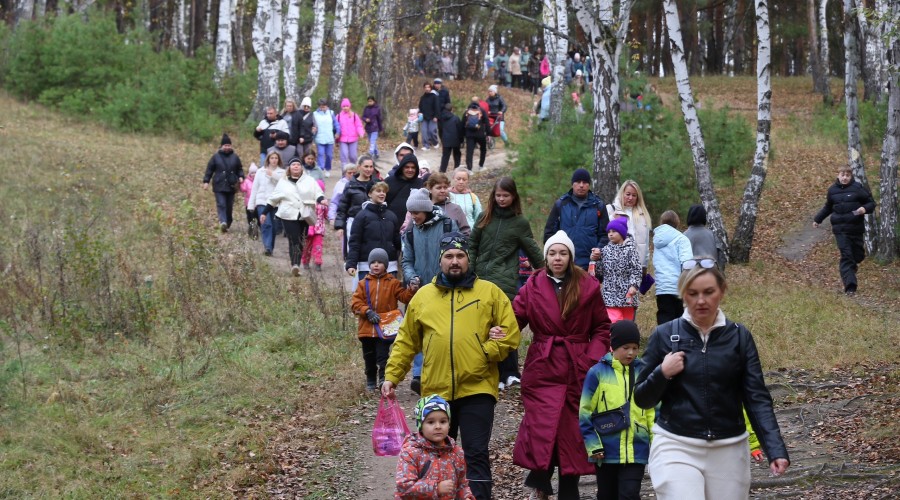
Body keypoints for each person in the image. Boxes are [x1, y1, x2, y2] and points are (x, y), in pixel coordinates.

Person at [634, 263, 790, 499]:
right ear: (682, 294)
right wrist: (662, 373)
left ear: (722, 291)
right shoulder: (664, 335)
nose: (701, 301)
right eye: (693, 293)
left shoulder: (739, 337)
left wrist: (775, 449)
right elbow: (641, 398)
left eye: (708, 292)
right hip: (676, 444)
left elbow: (757, 398)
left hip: (729, 447)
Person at [383, 232, 521, 500]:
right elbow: (406, 342)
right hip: (436, 390)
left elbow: (510, 332)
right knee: (436, 455)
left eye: (460, 256)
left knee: (475, 452)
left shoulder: (490, 292)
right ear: (441, 260)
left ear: (468, 260)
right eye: (449, 256)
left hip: (478, 387)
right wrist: (392, 376)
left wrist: (486, 351)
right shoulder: (423, 297)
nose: (455, 261)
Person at [512, 230, 611, 499]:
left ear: (570, 256)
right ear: (546, 256)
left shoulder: (587, 286)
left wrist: (590, 358)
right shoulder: (532, 285)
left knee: (572, 431)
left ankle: (569, 487)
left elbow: (602, 327)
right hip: (543, 365)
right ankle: (541, 479)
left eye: (563, 253)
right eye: (553, 253)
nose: (557, 258)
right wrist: (498, 331)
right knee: (542, 424)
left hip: (576, 367)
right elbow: (515, 318)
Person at [469, 176, 544, 389]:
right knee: (483, 326)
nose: (502, 199)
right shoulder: (485, 217)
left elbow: (532, 250)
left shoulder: (520, 222)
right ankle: (490, 372)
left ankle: (510, 373)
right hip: (479, 281)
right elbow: (472, 245)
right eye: (498, 195)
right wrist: (470, 270)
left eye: (506, 195)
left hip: (504, 282)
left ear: (513, 197)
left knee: (504, 326)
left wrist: (549, 271)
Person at [579, 320, 654, 500]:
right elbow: (585, 412)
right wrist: (593, 445)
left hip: (637, 449)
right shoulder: (597, 373)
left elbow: (654, 411)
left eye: (635, 348)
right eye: (625, 347)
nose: (631, 352)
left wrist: (656, 443)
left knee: (629, 494)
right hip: (606, 450)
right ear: (613, 347)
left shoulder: (645, 372)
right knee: (606, 495)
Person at [350, 248, 417, 391]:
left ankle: (382, 379)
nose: (376, 265)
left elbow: (404, 297)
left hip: (385, 328)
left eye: (380, 262)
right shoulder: (363, 283)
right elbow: (355, 303)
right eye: (373, 262)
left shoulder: (393, 283)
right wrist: (367, 311)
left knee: (382, 356)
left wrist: (411, 290)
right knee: (369, 357)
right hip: (366, 329)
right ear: (369, 265)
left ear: (386, 265)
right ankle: (370, 380)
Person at [396, 395, 475, 499]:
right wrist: (436, 488)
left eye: (443, 421)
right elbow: (403, 487)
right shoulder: (411, 452)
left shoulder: (456, 453)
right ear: (421, 425)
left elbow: (462, 484)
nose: (438, 426)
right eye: (431, 422)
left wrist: (466, 496)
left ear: (449, 424)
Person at [813, 165, 876, 295]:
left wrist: (864, 209)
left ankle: (851, 268)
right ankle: (850, 287)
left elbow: (871, 203)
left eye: (847, 175)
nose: (845, 177)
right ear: (838, 175)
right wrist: (817, 219)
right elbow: (828, 207)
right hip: (840, 230)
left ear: (851, 176)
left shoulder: (857, 188)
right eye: (842, 175)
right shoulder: (832, 190)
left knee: (857, 256)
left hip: (856, 229)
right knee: (847, 256)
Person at [260, 157, 327, 276]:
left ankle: (296, 264)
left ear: (301, 168)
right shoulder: (283, 181)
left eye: (298, 165)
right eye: (293, 165)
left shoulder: (310, 180)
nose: (296, 166)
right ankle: (295, 265)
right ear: (289, 168)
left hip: (304, 215)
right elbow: (273, 198)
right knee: (294, 239)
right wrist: (264, 212)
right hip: (288, 215)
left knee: (301, 240)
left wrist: (321, 199)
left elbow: (318, 192)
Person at [543, 168, 610, 270]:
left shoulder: (598, 205)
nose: (581, 185)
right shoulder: (561, 204)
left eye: (585, 182)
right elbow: (549, 234)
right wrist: (555, 255)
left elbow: (606, 235)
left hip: (590, 264)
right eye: (578, 182)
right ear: (572, 184)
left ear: (589, 185)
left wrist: (599, 250)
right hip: (565, 264)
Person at [346, 182, 402, 280]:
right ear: (370, 194)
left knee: (389, 295)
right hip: (367, 266)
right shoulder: (361, 216)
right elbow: (355, 241)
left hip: (390, 265)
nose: (382, 194)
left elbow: (397, 240)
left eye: (384, 191)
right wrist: (351, 264)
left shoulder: (391, 216)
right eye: (378, 191)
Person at [652, 210, 693, 325]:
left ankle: (664, 341)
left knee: (664, 316)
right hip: (678, 286)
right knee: (680, 319)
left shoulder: (657, 241)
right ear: (677, 222)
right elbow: (687, 264)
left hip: (662, 286)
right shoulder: (682, 239)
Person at [600, 218, 642, 323]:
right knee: (614, 320)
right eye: (609, 232)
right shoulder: (605, 250)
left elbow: (636, 269)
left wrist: (633, 285)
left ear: (622, 232)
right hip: (609, 294)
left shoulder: (631, 249)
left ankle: (627, 338)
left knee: (627, 323)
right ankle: (613, 338)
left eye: (614, 231)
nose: (610, 234)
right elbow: (600, 271)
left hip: (627, 294)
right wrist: (594, 260)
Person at [202, 134, 245, 233]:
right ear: (221, 146)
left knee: (229, 206)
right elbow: (209, 170)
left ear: (231, 146)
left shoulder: (235, 157)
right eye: (225, 145)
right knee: (221, 204)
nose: (227, 147)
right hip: (219, 185)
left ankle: (228, 221)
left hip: (231, 185)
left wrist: (241, 176)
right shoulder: (215, 157)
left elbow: (239, 168)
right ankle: (223, 221)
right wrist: (206, 181)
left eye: (229, 145)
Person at [606, 180, 652, 271]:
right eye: (628, 194)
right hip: (616, 265)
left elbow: (646, 243)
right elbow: (604, 235)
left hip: (637, 266)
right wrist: (612, 218)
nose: (630, 198)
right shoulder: (610, 210)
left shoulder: (643, 215)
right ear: (622, 194)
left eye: (634, 195)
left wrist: (645, 265)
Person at [249, 152, 286, 255]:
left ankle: (270, 247)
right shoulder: (260, 172)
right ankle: (267, 247)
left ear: (278, 160)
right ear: (268, 159)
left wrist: (272, 175)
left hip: (275, 203)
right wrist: (251, 205)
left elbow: (284, 184)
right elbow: (254, 188)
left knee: (274, 226)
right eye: (272, 158)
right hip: (262, 201)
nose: (274, 160)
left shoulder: (282, 172)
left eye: (276, 158)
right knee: (266, 224)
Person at [684, 204, 727, 272]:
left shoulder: (682, 236)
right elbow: (721, 257)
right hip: (710, 274)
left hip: (689, 276)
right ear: (704, 217)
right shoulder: (713, 235)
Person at [385, 154, 425, 226]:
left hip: (412, 225)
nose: (410, 170)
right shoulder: (389, 181)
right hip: (390, 224)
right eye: (407, 167)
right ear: (401, 167)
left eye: (413, 167)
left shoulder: (420, 183)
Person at [301, 178, 328, 270]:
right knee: (314, 245)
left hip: (313, 228)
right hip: (313, 227)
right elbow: (325, 215)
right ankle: (312, 261)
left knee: (312, 245)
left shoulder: (315, 202)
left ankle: (312, 262)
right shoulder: (312, 202)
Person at [313, 98, 340, 177]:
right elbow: (313, 125)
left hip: (329, 138)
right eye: (321, 107)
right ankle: (320, 169)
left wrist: (338, 132)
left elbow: (336, 124)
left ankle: (327, 169)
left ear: (327, 106)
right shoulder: (315, 114)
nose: (322, 108)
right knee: (320, 153)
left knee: (329, 155)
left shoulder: (331, 113)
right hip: (319, 137)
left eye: (324, 106)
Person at [336, 98, 365, 166]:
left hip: (353, 139)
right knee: (344, 156)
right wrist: (336, 134)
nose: (345, 108)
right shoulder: (339, 116)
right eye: (344, 106)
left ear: (349, 106)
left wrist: (361, 133)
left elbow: (358, 125)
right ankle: (344, 174)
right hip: (343, 139)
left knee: (353, 156)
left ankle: (354, 172)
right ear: (341, 107)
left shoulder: (354, 115)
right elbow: (336, 126)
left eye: (347, 106)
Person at [463, 102, 489, 171]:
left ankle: (469, 169)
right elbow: (487, 122)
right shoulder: (482, 110)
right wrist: (488, 133)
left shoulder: (467, 111)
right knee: (483, 149)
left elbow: (462, 123)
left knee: (469, 151)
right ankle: (481, 166)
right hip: (480, 134)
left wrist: (463, 135)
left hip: (470, 135)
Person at [439, 103, 463, 173]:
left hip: (445, 139)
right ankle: (456, 169)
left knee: (445, 156)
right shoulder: (456, 118)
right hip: (455, 139)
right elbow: (460, 129)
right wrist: (461, 140)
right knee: (457, 155)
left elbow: (440, 129)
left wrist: (442, 138)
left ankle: (442, 171)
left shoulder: (441, 118)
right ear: (452, 109)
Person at [418, 83, 441, 150]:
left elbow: (437, 107)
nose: (427, 88)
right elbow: (420, 107)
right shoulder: (422, 98)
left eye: (428, 87)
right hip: (424, 118)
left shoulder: (434, 96)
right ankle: (426, 145)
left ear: (431, 88)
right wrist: (419, 113)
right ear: (424, 88)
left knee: (431, 131)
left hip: (432, 117)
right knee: (424, 131)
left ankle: (435, 142)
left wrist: (436, 116)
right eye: (426, 87)